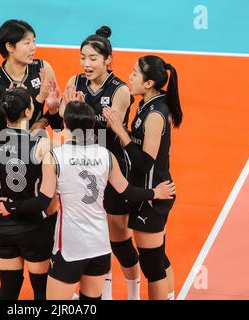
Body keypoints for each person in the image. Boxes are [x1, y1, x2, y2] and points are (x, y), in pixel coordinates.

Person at [0, 101, 176, 300]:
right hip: (99, 248)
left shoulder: (55, 157)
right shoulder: (106, 156)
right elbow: (128, 192)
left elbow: (42, 202)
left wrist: (12, 206)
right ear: (92, 126)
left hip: (70, 249)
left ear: (66, 125)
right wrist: (154, 192)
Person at [59, 26, 140, 300]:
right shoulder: (75, 81)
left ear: (108, 60)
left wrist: (80, 110)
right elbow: (63, 120)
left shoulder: (120, 90)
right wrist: (60, 108)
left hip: (111, 166)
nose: (86, 64)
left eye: (93, 58)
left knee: (118, 236)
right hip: (80, 169)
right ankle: (101, 293)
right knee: (89, 235)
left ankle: (134, 291)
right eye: (82, 57)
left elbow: (107, 127)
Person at [103, 55, 183, 300]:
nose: (129, 77)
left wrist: (121, 132)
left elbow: (145, 163)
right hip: (149, 193)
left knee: (152, 266)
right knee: (158, 256)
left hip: (152, 198)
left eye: (135, 73)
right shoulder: (147, 103)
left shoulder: (155, 114)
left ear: (149, 83)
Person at [0, 87, 59, 300]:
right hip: (33, 228)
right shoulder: (42, 145)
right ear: (28, 112)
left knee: (8, 290)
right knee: (42, 291)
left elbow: (21, 137)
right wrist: (55, 114)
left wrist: (44, 117)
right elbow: (72, 143)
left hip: (2, 226)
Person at [0, 19, 62, 140]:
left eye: (34, 41)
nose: (33, 47)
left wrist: (43, 121)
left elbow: (58, 126)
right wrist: (40, 99)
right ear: (10, 47)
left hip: (40, 149)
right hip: (9, 154)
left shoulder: (43, 69)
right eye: (27, 43)